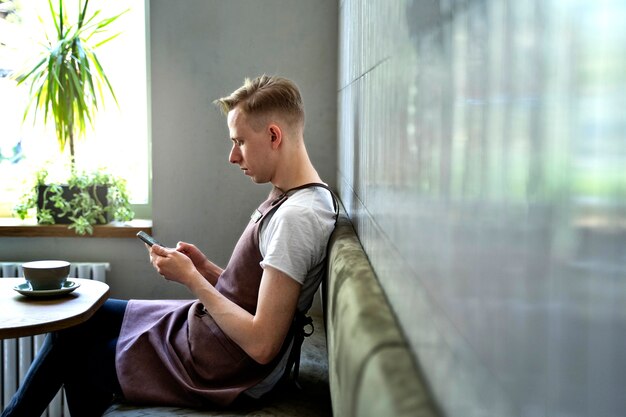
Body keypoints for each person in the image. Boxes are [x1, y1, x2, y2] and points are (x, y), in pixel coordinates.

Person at [2, 75, 338, 417]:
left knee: (78, 357)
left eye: (240, 142)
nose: (232, 156)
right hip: (214, 337)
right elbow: (257, 296)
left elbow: (262, 344)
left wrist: (191, 279)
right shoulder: (294, 198)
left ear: (273, 135)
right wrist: (206, 269)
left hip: (221, 364)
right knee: (77, 320)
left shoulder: (297, 218)